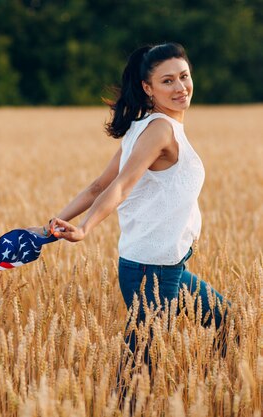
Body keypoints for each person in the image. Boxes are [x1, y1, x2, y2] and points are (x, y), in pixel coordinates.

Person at [28, 43, 229, 368]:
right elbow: (118, 185)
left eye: (184, 76)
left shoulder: (146, 126)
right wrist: (83, 228)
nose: (180, 87)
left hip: (166, 265)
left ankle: (208, 387)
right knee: (140, 368)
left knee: (227, 323)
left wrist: (50, 223)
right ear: (147, 88)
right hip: (152, 269)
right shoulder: (159, 130)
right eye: (167, 81)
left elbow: (98, 185)